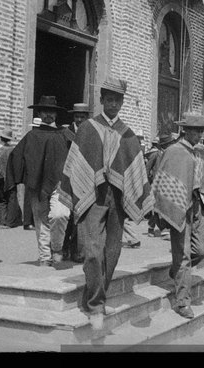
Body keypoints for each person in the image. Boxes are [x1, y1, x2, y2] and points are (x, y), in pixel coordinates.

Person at [57, 78, 151, 331]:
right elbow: (76, 162)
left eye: (118, 100)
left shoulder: (128, 134)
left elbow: (136, 167)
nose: (113, 104)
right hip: (92, 197)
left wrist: (142, 197)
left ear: (122, 102)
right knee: (92, 251)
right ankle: (96, 304)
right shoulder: (87, 128)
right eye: (109, 99)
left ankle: (97, 295)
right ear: (101, 100)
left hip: (117, 200)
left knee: (112, 252)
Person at [152, 111, 204, 320]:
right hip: (180, 207)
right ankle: (182, 302)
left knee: (200, 250)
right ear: (185, 130)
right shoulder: (174, 151)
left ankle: (176, 272)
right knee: (184, 254)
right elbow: (162, 181)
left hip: (198, 207)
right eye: (196, 130)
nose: (199, 135)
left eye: (201, 130)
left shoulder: (199, 152)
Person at [6, 95, 73, 266]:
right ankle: (44, 256)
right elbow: (16, 156)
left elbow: (79, 154)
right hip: (36, 186)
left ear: (56, 114)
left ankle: (57, 247)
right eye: (45, 111)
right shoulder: (32, 136)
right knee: (41, 221)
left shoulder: (65, 135)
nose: (48, 115)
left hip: (60, 185)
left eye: (51, 111)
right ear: (40, 113)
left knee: (60, 214)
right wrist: (22, 176)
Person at [0, 130, 17, 229]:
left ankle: (3, 221)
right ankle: (10, 222)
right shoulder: (11, 150)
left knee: (0, 200)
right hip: (9, 178)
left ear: (0, 138)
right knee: (11, 199)